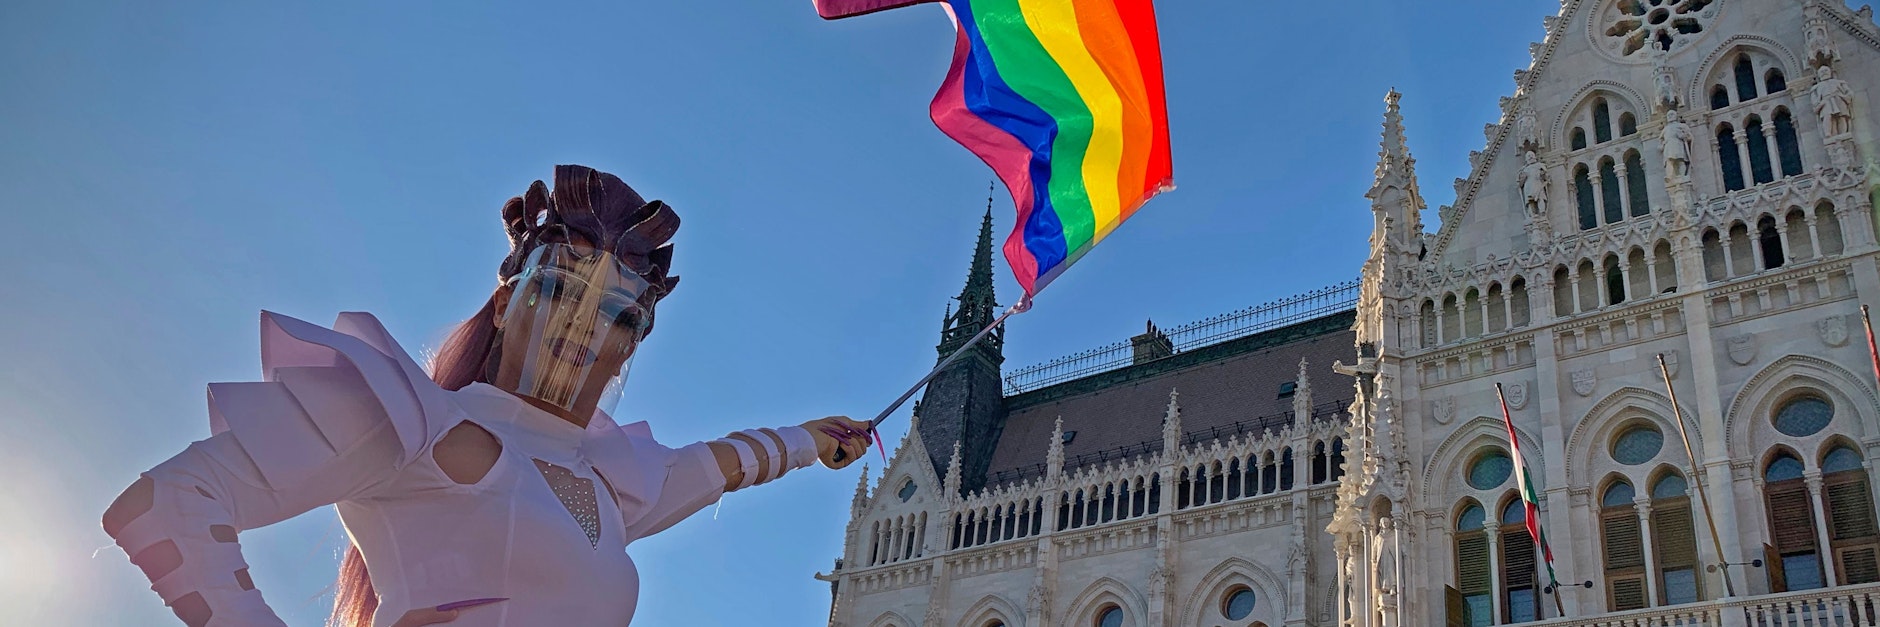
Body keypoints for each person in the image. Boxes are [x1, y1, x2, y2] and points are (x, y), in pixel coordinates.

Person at [101, 165, 876, 627]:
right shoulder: (412, 420)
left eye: (617, 313)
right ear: (506, 302)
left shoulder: (616, 485)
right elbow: (169, 504)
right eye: (562, 287)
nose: (583, 325)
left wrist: (814, 439)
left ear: (634, 341)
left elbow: (729, 461)